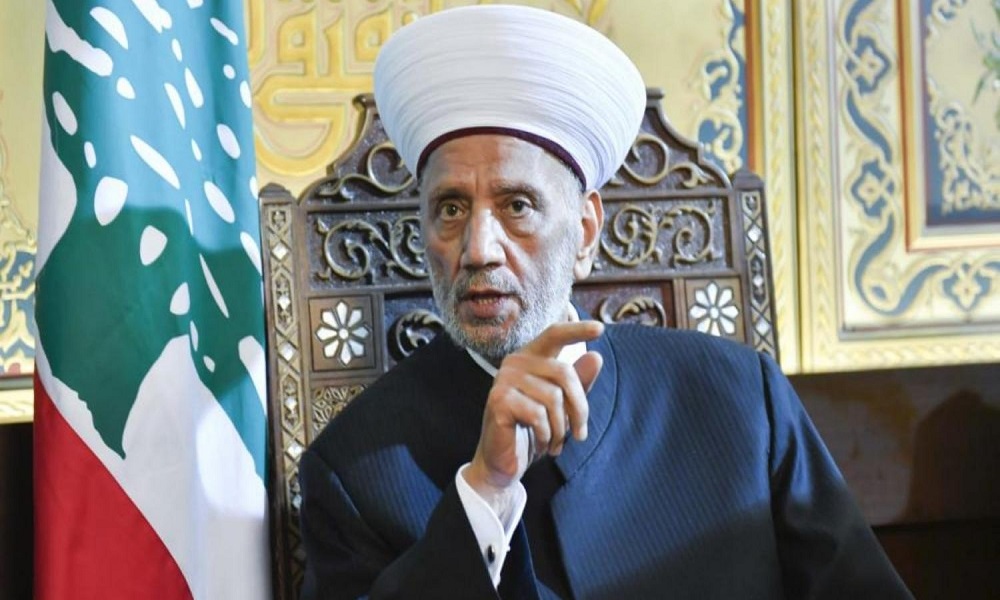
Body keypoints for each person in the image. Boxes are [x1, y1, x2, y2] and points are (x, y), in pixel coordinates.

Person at [298, 5, 912, 599]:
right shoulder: (354, 470)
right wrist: (485, 491)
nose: (479, 249)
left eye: (517, 205)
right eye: (451, 208)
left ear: (586, 232)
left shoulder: (739, 400)